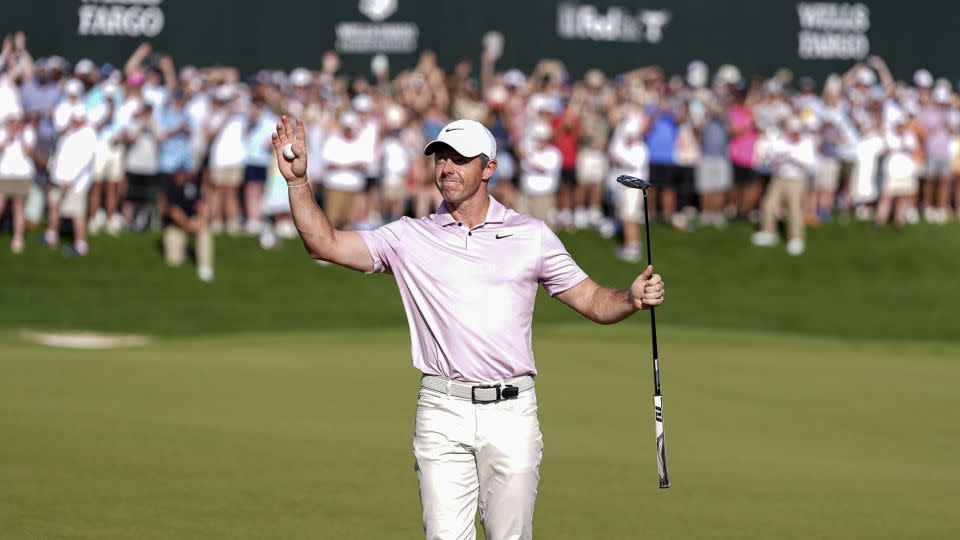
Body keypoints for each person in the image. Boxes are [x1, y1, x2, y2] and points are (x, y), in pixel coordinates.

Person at [271, 116, 666, 540]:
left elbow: (590, 299)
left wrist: (629, 298)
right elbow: (324, 243)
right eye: (441, 158)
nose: (447, 167)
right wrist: (298, 183)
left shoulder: (530, 235)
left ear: (489, 168)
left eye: (460, 159)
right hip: (442, 409)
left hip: (512, 412)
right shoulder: (410, 237)